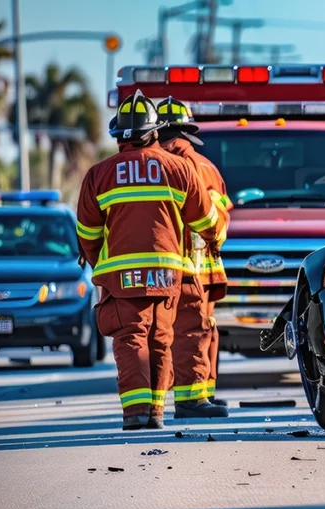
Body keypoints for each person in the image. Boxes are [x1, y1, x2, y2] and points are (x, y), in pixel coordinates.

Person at [76, 90, 225, 430]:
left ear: (118, 136)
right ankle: (154, 413)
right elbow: (205, 221)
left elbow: (87, 232)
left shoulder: (100, 174)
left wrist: (100, 264)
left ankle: (136, 413)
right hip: (168, 275)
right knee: (160, 339)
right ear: (155, 131)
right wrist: (216, 239)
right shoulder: (180, 169)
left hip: (122, 278)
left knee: (131, 338)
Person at [156, 96, 233, 416]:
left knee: (169, 332)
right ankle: (196, 398)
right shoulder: (204, 167)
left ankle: (198, 396)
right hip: (201, 267)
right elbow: (219, 217)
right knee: (199, 330)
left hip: (164, 266)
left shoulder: (152, 164)